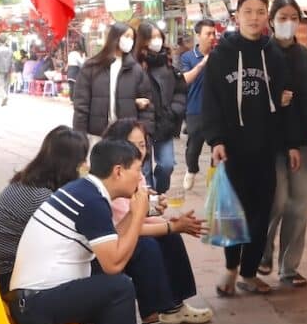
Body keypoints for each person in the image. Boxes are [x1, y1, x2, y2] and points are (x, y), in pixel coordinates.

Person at [9, 139, 174, 324]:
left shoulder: (86, 191)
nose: (141, 178)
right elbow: (114, 264)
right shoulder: (91, 201)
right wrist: (138, 215)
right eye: (137, 170)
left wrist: (136, 215)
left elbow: (112, 241)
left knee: (102, 269)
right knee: (119, 285)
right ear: (118, 171)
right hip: (34, 304)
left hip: (31, 299)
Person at [202, 0, 295, 296]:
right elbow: (210, 101)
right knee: (234, 211)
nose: (254, 17)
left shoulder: (274, 54)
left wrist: (289, 141)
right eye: (248, 12)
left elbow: (284, 100)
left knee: (261, 212)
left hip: (265, 147)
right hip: (232, 148)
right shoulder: (221, 55)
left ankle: (250, 272)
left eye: (260, 12)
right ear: (237, 16)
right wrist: (215, 139)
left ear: (266, 16)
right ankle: (230, 268)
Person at [102, 119, 212, 324]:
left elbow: (140, 217)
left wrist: (165, 219)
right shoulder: (115, 176)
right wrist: (171, 226)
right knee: (147, 246)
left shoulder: (136, 173)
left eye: (143, 145)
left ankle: (174, 307)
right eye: (132, 145)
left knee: (169, 237)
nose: (139, 151)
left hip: (123, 235)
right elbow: (128, 227)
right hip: (108, 247)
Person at [259, 0, 307, 286]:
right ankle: (262, 253)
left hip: (302, 138)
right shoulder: (260, 56)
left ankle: (289, 267)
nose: (288, 23)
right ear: (271, 21)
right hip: (269, 141)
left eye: (293, 17)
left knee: (299, 204)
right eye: (282, 17)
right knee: (276, 201)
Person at [0, 126, 90, 294]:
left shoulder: (29, 181)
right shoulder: (41, 198)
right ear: (70, 164)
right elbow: (74, 238)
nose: (86, 166)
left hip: (3, 270)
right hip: (12, 280)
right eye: (82, 161)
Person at [72, 22, 154, 139]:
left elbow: (147, 105)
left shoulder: (136, 70)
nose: (129, 41)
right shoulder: (92, 67)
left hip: (126, 135)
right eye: (126, 36)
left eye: (132, 38)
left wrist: (144, 132)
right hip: (96, 134)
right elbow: (81, 104)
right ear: (115, 37)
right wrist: (79, 134)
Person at [134, 22, 187, 194]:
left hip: (164, 122)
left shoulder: (168, 62)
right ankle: (149, 202)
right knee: (144, 169)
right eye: (152, 37)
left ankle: (158, 192)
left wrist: (175, 110)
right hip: (142, 125)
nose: (157, 41)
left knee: (167, 164)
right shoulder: (134, 65)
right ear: (143, 40)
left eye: (159, 37)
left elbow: (180, 89)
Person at [179, 19, 217, 191]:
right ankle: (191, 169)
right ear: (198, 36)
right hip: (195, 109)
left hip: (216, 110)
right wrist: (202, 64)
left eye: (214, 34)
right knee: (194, 146)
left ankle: (215, 177)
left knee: (218, 144)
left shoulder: (219, 55)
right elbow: (185, 79)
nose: (212, 37)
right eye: (208, 34)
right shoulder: (187, 57)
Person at [0, 36, 13, 106]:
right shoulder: (10, 50)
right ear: (6, 41)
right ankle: (5, 101)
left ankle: (4, 96)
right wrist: (12, 69)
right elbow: (12, 60)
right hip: (8, 69)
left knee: (0, 85)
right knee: (6, 85)